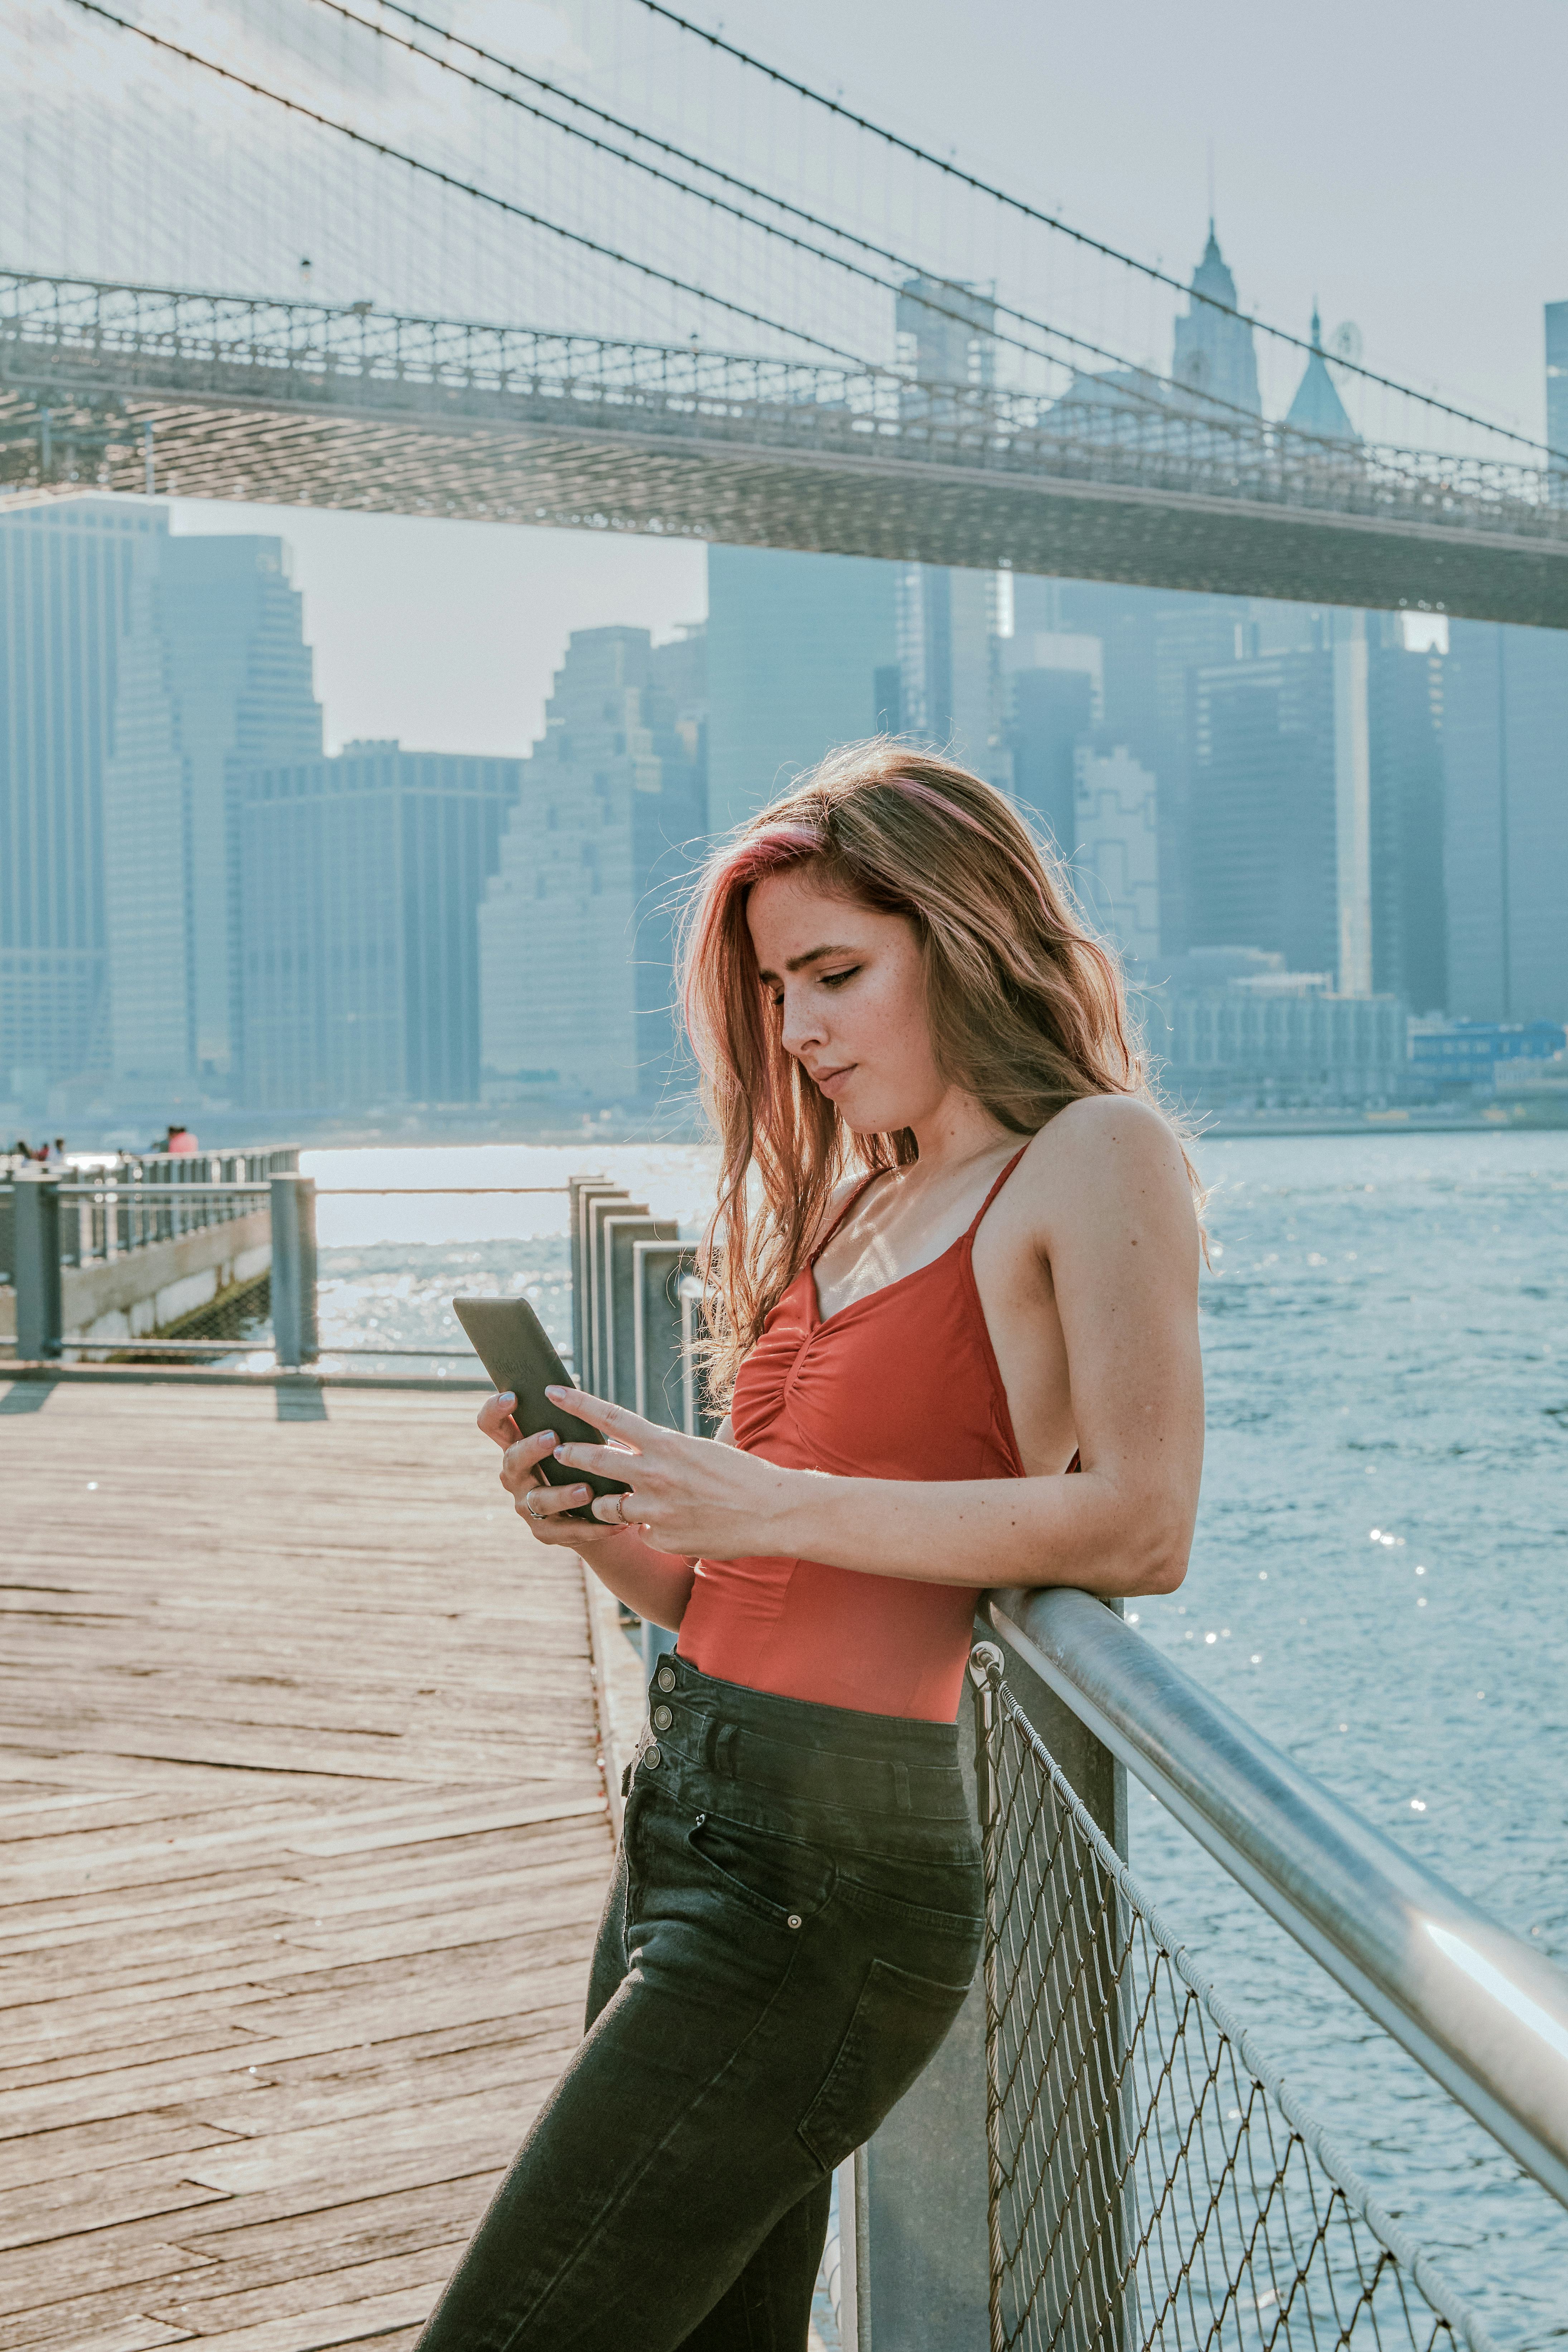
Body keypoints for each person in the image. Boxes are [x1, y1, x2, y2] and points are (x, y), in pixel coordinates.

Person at [421, 745, 1205, 2352]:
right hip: (688, 1814)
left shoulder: (1094, 1155)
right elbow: (743, 1597)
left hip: (830, 1879)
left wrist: (771, 1497)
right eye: (778, 990)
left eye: (836, 973)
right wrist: (606, 1528)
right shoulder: (860, 1207)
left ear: (970, 933)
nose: (800, 1032)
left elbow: (1143, 1517)